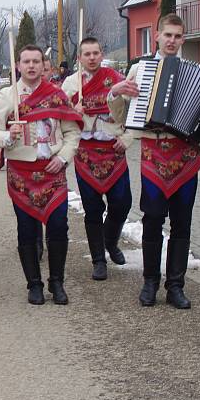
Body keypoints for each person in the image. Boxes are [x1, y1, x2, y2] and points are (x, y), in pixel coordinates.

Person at [108, 14, 200, 309]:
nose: (172, 40)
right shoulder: (140, 70)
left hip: (186, 157)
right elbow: (124, 119)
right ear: (157, 36)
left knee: (182, 223)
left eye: (177, 36)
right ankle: (150, 282)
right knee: (151, 220)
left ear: (183, 39)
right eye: (167, 35)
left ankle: (176, 285)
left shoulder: (199, 73)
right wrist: (116, 93)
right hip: (153, 154)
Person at [0, 45, 81, 305]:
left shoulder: (57, 95)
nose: (31, 66)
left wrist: (62, 158)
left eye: (36, 61)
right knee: (27, 230)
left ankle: (57, 282)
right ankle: (34, 284)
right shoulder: (8, 96)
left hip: (53, 170)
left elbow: (72, 133)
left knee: (59, 226)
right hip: (22, 173)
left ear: (43, 64)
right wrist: (7, 135)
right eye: (26, 61)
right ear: (18, 65)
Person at [62, 37, 132, 281]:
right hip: (86, 153)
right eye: (86, 54)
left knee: (122, 204)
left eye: (96, 53)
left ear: (102, 54)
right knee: (92, 209)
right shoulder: (71, 84)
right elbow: (61, 116)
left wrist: (129, 138)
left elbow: (133, 111)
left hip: (114, 150)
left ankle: (110, 241)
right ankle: (98, 260)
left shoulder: (115, 79)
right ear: (79, 58)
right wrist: (74, 111)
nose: (91, 58)